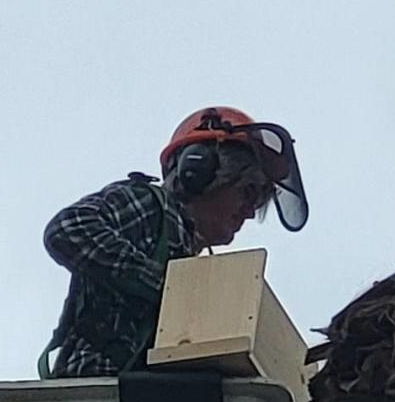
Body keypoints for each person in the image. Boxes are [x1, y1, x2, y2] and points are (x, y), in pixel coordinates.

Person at [39, 105, 309, 378]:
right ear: (201, 172)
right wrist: (170, 290)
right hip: (91, 393)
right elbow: (67, 229)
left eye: (259, 201)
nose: (250, 211)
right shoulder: (151, 205)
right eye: (249, 192)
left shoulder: (191, 262)